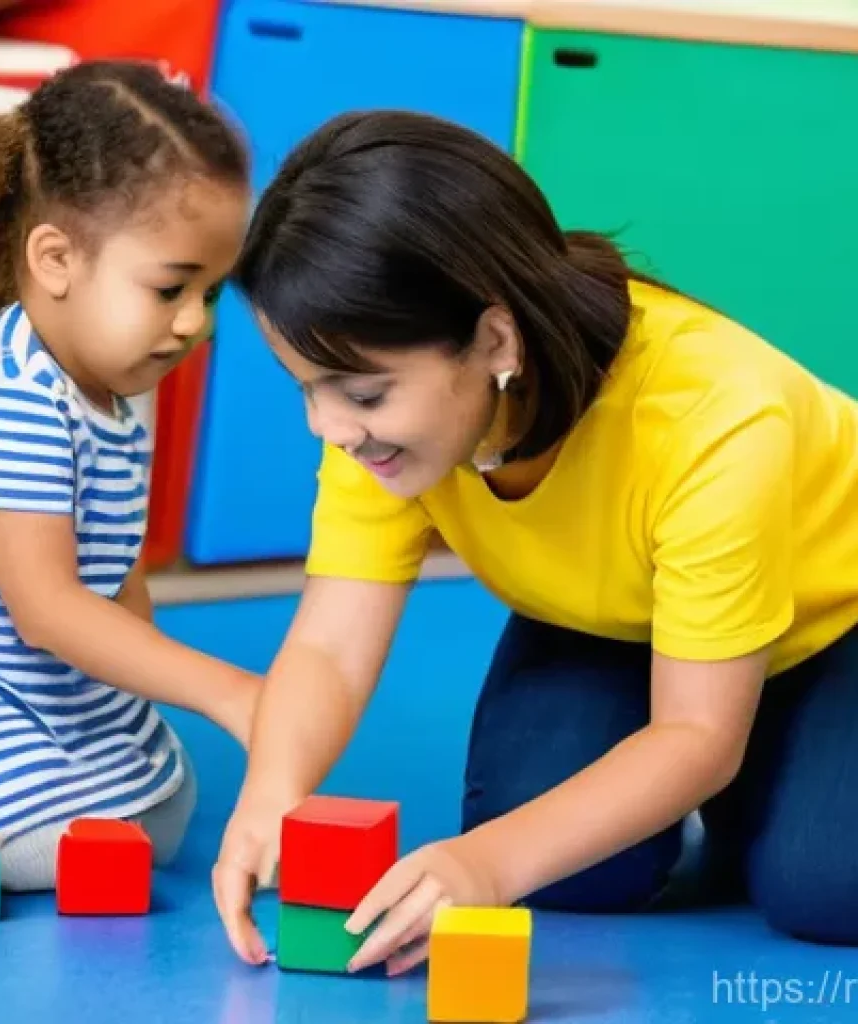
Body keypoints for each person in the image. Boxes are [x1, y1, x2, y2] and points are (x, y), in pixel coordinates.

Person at [212, 109, 858, 969]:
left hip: (831, 619)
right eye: (307, 389)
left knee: (825, 885)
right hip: (616, 616)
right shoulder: (377, 430)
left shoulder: (713, 418)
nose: (329, 427)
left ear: (495, 339)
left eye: (361, 395)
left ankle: (779, 770)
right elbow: (330, 645)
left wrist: (480, 865)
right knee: (573, 877)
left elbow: (696, 734)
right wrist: (270, 796)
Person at [0, 61, 258, 890]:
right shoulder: (9, 400)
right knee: (26, 852)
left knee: (163, 812)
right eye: (171, 287)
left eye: (211, 293)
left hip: (18, 663)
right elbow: (49, 610)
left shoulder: (110, 380)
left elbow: (115, 571)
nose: (193, 324)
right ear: (56, 258)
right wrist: (228, 691)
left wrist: (138, 692)